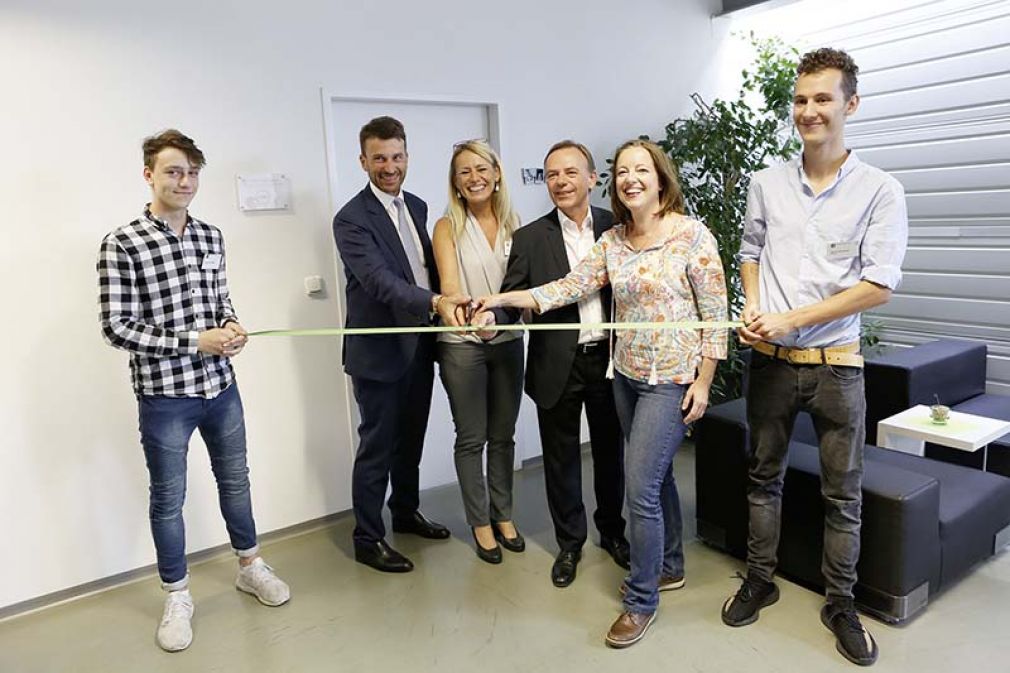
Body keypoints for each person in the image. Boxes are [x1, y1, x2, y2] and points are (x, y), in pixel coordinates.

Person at [478, 140, 728, 648]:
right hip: (627, 377)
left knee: (637, 489)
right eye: (623, 172)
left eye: (641, 170)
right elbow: (564, 289)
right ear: (613, 183)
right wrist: (500, 298)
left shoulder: (691, 235)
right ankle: (670, 566)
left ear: (660, 179)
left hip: (671, 380)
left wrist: (703, 380)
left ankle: (641, 600)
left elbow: (716, 313)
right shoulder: (614, 241)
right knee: (655, 485)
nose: (630, 178)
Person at [721, 48, 908, 667]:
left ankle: (841, 604)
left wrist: (792, 318)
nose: (809, 111)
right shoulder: (766, 183)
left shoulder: (880, 190)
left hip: (837, 368)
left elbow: (877, 285)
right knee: (761, 479)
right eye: (801, 100)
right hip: (770, 363)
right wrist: (753, 308)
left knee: (842, 495)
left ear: (850, 104)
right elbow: (749, 251)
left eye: (823, 99)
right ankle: (759, 579)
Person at [98, 129, 290, 653]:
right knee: (168, 499)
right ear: (149, 175)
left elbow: (219, 299)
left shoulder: (211, 236)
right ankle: (177, 594)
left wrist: (230, 326)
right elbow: (117, 327)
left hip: (220, 388)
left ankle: (250, 567)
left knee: (236, 481)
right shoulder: (123, 243)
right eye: (173, 171)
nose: (184, 181)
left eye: (191, 172)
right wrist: (194, 341)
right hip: (165, 397)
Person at [489, 140, 629, 586]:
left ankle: (613, 532)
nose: (561, 182)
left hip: (610, 362)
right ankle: (570, 544)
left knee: (611, 455)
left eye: (571, 172)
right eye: (552, 175)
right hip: (556, 366)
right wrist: (493, 318)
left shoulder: (619, 228)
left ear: (592, 178)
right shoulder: (529, 238)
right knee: (561, 459)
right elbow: (515, 297)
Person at [332, 116, 468, 573]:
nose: (389, 167)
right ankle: (367, 538)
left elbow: (426, 267)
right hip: (379, 355)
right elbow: (379, 282)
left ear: (407, 157)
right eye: (379, 159)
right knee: (378, 446)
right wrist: (438, 301)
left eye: (396, 157)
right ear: (363, 161)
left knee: (410, 440)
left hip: (419, 347)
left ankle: (405, 513)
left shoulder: (418, 205)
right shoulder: (350, 219)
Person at [431, 140, 524, 564]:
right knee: (472, 437)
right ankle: (480, 522)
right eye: (464, 171)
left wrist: (499, 324)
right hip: (462, 344)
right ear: (455, 181)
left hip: (507, 340)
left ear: (497, 172)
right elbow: (450, 288)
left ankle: (503, 515)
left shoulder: (514, 224)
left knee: (503, 435)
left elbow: (519, 287)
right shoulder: (447, 226)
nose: (475, 178)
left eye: (481, 168)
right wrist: (475, 323)